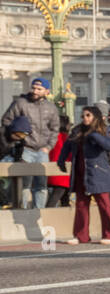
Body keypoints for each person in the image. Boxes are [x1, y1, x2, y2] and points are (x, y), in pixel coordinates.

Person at [57, 105, 110, 244]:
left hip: (99, 172)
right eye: (83, 116)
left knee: (104, 205)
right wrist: (61, 160)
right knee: (81, 205)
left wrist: (94, 135)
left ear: (95, 117)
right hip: (80, 173)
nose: (85, 118)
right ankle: (81, 236)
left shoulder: (104, 130)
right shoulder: (77, 130)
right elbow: (67, 146)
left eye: (88, 115)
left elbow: (109, 146)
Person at [2, 76, 59, 210]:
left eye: (39, 89)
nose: (35, 91)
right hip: (25, 149)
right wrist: (18, 136)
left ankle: (39, 213)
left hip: (42, 151)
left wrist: (48, 147)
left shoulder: (51, 108)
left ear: (47, 91)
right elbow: (6, 121)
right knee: (24, 184)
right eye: (33, 88)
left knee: (41, 185)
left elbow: (54, 129)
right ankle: (24, 212)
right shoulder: (20, 103)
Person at [46, 116, 72, 208]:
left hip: (52, 171)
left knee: (63, 199)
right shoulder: (65, 137)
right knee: (58, 198)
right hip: (63, 173)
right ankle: (47, 216)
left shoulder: (51, 137)